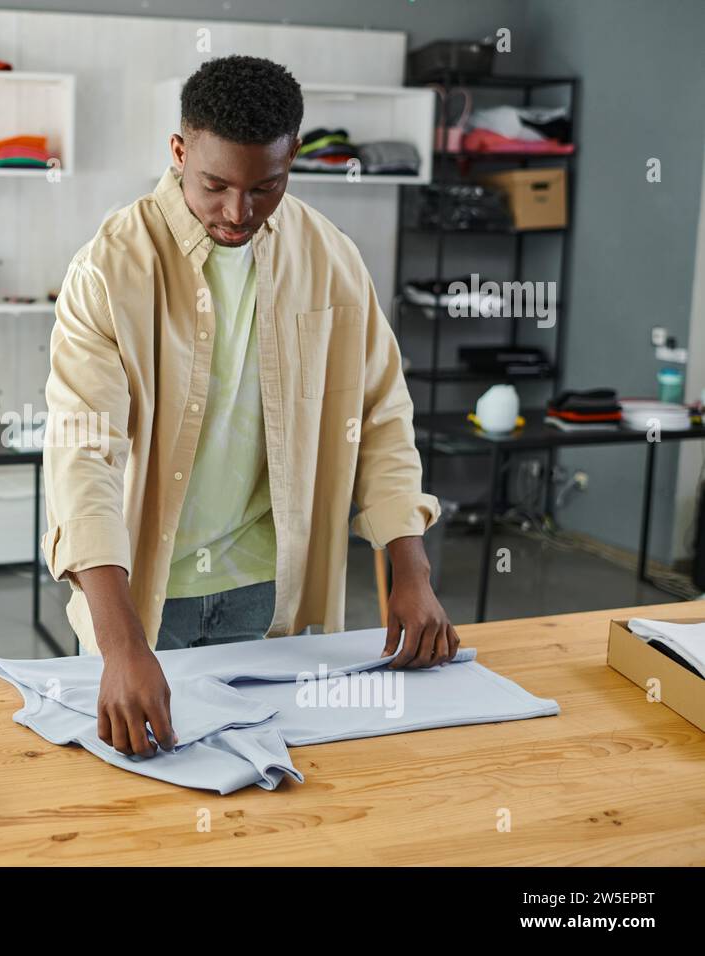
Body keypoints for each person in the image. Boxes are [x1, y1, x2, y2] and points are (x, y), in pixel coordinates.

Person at [41, 55, 459, 760]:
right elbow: (84, 455)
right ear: (179, 153)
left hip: (270, 587)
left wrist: (411, 571)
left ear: (292, 157)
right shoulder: (109, 269)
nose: (239, 212)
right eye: (215, 185)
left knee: (267, 792)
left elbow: (381, 415)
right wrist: (119, 646)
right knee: (138, 796)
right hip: (144, 593)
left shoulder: (331, 259)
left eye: (266, 187)